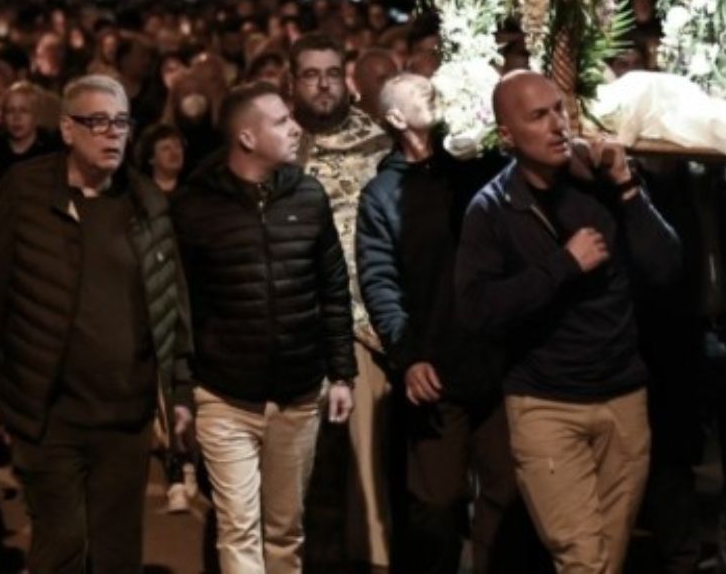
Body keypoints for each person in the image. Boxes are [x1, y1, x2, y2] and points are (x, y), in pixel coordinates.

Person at [0, 74, 192, 574]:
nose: (112, 134)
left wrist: (179, 393)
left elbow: (171, 306)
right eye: (98, 122)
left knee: (117, 553)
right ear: (67, 129)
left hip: (125, 414)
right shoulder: (24, 193)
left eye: (121, 122)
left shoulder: (145, 201)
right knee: (62, 544)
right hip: (48, 411)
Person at [456, 72, 682, 574]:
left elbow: (666, 268)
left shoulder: (602, 187)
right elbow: (475, 310)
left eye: (559, 109)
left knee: (606, 560)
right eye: (538, 116)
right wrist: (562, 266)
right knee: (583, 559)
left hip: (623, 399)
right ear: (507, 134)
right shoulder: (492, 209)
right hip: (546, 405)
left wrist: (627, 185)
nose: (558, 125)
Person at [172, 82, 357, 573]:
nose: (295, 128)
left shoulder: (309, 196)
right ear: (247, 138)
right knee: (239, 528)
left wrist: (342, 373)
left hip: (298, 393)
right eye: (281, 121)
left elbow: (333, 288)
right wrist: (180, 390)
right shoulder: (195, 207)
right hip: (224, 395)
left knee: (285, 531)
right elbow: (179, 306)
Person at [357, 74, 516, 574]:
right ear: (394, 118)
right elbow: (380, 283)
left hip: (495, 359)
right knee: (437, 501)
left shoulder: (475, 171)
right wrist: (408, 356)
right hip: (434, 366)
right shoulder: (384, 194)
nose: (430, 91)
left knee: (506, 491)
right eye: (414, 90)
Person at [289, 35, 394, 572]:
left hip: (363, 326)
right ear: (293, 81)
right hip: (297, 328)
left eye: (332, 73)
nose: (323, 84)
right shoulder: (279, 144)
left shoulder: (378, 142)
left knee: (366, 476)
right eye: (311, 74)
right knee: (302, 472)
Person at [0, 81, 61, 182]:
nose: (17, 118)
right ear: (3, 116)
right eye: (10, 111)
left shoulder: (52, 150)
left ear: (36, 115)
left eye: (24, 110)